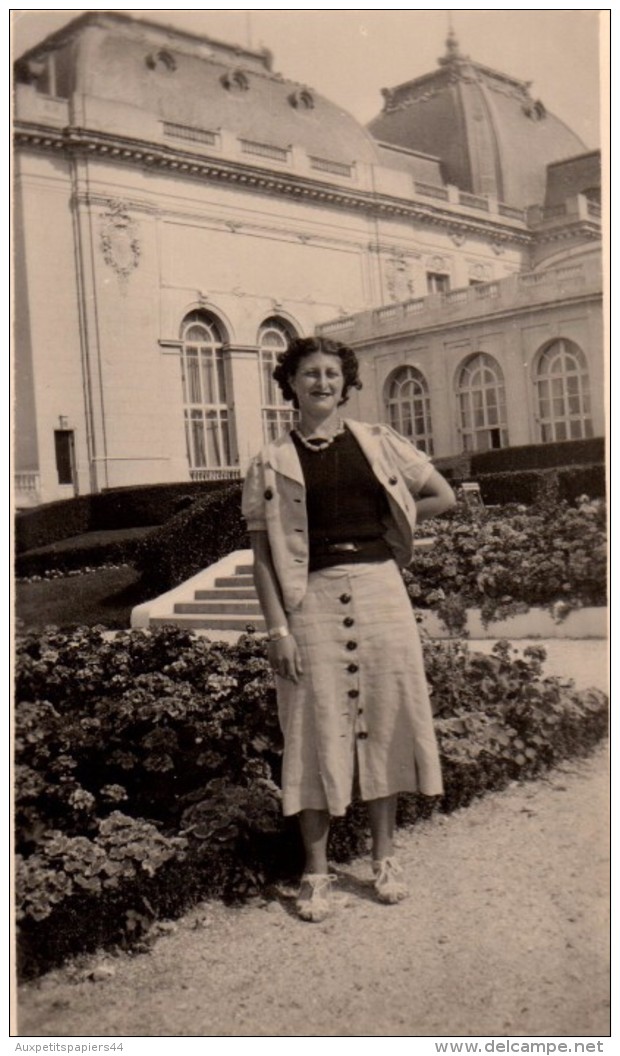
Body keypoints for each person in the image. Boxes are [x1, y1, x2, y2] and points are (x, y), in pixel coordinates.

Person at [241, 335, 456, 922]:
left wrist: (394, 527)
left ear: (346, 382)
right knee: (312, 725)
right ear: (290, 384)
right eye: (308, 373)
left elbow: (441, 494)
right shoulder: (268, 462)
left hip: (380, 588)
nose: (321, 383)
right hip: (307, 598)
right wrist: (277, 632)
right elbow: (262, 557)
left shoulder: (378, 442)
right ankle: (315, 874)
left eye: (331, 374)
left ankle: (384, 859)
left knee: (384, 718)